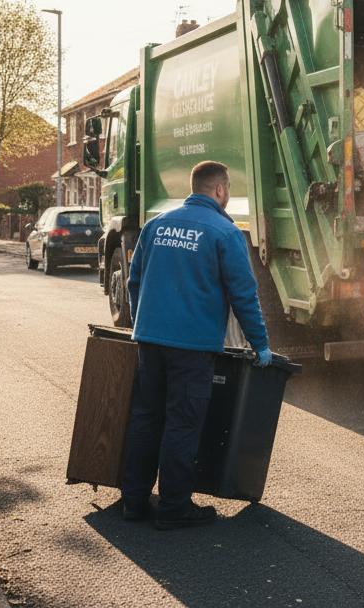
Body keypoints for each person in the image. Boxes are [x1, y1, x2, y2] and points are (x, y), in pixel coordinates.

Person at [121, 161, 271, 529]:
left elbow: (133, 280)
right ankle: (173, 507)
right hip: (192, 346)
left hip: (150, 341)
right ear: (219, 190)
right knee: (182, 423)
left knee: (146, 418)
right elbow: (244, 295)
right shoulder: (225, 231)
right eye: (229, 188)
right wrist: (261, 345)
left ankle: (134, 502)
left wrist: (144, 322)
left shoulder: (155, 225)